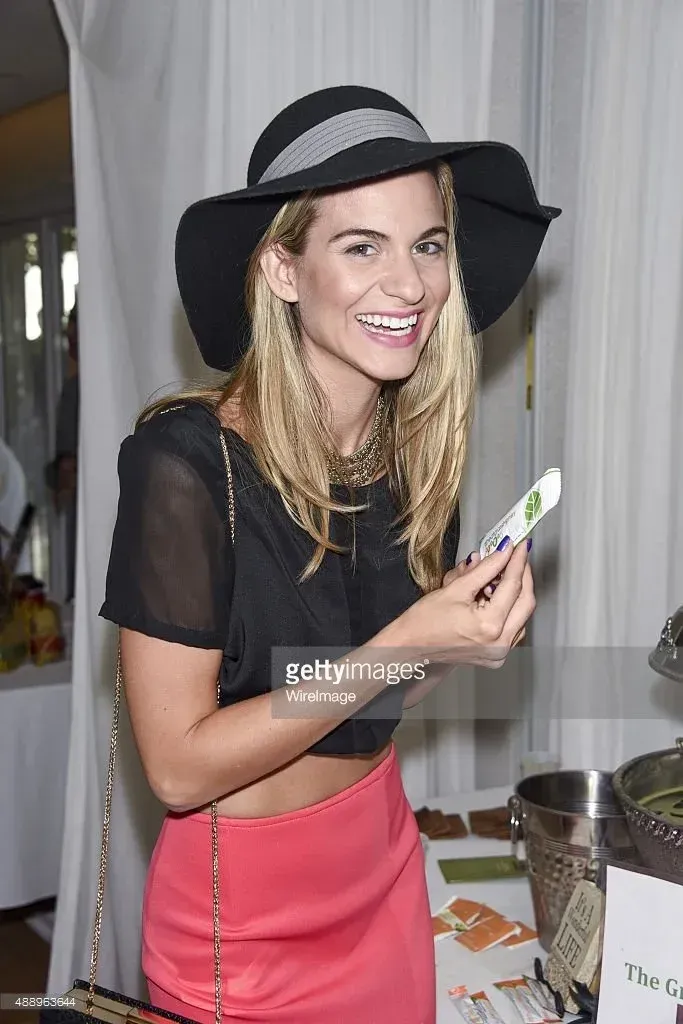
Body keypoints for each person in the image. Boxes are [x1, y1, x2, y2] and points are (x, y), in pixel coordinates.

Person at [100, 86, 560, 1024]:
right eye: (361, 247)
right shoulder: (184, 467)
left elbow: (365, 698)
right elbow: (179, 768)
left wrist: (452, 644)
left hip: (381, 870)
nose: (409, 285)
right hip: (243, 923)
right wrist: (401, 646)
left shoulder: (412, 456)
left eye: (427, 244)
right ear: (282, 268)